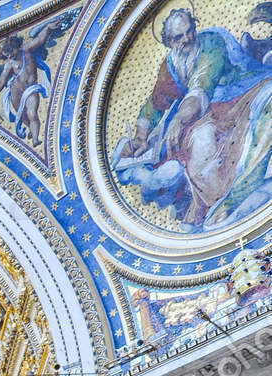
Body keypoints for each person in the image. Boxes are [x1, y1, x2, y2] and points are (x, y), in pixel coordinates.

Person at [114, 10, 272, 230]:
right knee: (197, 141)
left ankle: (235, 196)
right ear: (169, 41)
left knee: (205, 139)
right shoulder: (171, 63)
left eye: (190, 31)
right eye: (179, 37)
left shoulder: (211, 42)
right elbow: (156, 102)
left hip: (242, 93)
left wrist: (180, 118)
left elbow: (202, 83)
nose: (187, 39)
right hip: (210, 111)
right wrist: (141, 136)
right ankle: (210, 204)